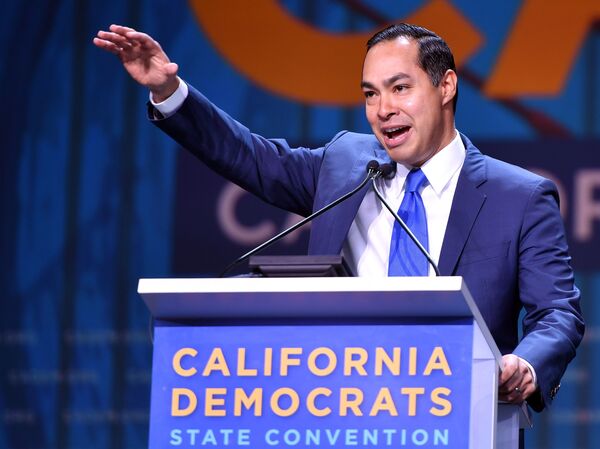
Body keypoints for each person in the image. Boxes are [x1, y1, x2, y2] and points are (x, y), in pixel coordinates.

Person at [94, 23, 584, 412]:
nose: (383, 110)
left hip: (460, 416)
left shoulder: (517, 195)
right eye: (370, 93)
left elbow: (557, 314)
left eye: (400, 88)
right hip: (342, 412)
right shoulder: (348, 163)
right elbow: (252, 158)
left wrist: (525, 364)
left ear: (446, 86)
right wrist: (170, 90)